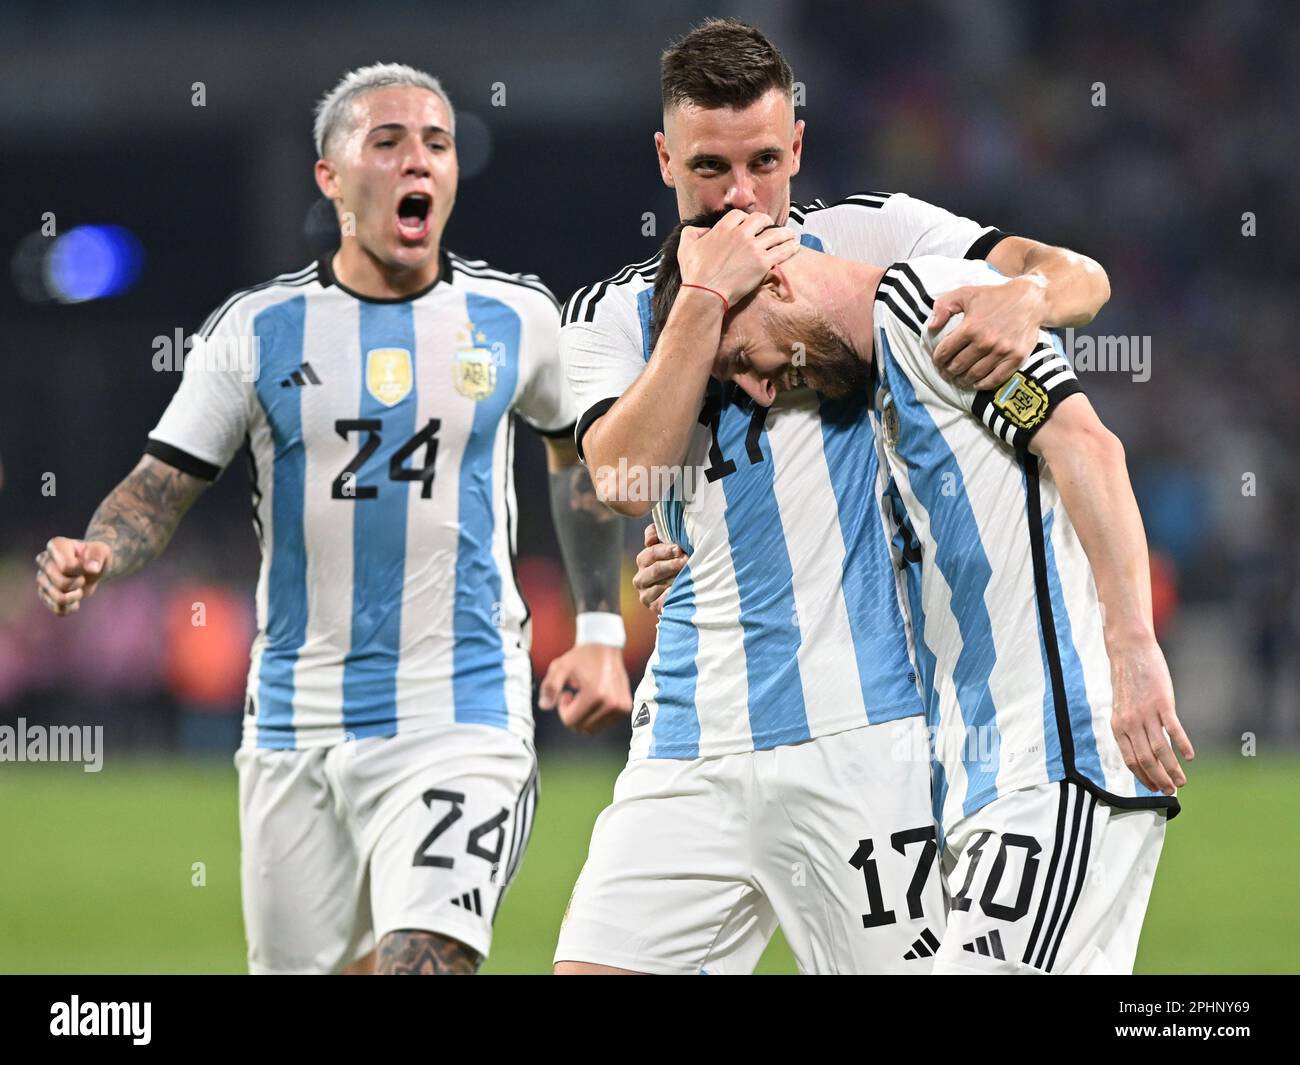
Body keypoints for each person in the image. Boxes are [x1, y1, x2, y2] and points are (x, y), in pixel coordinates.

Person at [35, 62, 631, 975]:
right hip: (293, 722)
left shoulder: (515, 316)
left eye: (435, 144)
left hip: (462, 709)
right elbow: (162, 486)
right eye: (386, 142)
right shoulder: (257, 330)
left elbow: (572, 456)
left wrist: (595, 628)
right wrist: (98, 549)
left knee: (422, 959)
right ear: (330, 175)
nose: (416, 162)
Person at [554, 19, 1110, 974]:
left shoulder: (870, 235)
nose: (738, 197)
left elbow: (1078, 275)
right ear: (663, 160)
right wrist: (706, 299)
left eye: (764, 162)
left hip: (868, 744)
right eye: (709, 169)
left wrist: (1027, 300)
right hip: (688, 741)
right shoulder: (606, 314)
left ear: (798, 147)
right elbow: (618, 474)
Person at [647, 207, 1193, 973]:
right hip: (993, 782)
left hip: (1055, 756)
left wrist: (1133, 646)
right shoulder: (882, 391)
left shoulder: (931, 306)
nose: (761, 388)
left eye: (743, 356)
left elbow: (1087, 447)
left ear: (772, 281)